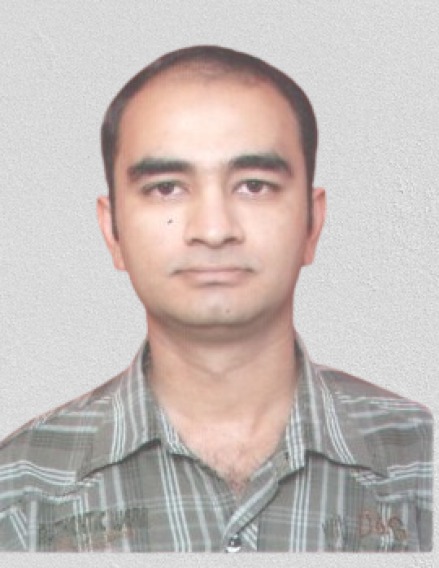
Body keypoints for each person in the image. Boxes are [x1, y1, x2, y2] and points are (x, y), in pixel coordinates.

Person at [0, 45, 432, 553]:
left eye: (254, 186)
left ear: (312, 223)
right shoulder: (20, 490)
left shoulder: (421, 464)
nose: (213, 229)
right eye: (166, 188)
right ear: (112, 230)